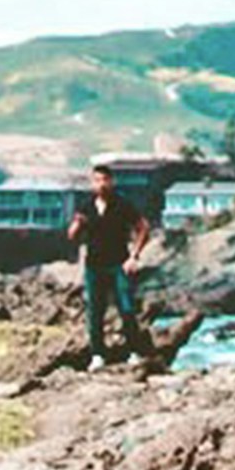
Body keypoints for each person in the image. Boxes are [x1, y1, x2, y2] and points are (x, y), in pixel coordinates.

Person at [69, 158, 154, 370]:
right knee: (95, 311)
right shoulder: (86, 206)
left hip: (119, 264)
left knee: (126, 308)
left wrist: (134, 256)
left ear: (112, 181)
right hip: (94, 265)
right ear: (92, 183)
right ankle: (97, 355)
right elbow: (72, 235)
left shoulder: (122, 204)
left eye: (105, 180)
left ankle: (133, 351)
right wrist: (77, 225)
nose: (102, 184)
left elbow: (143, 228)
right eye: (97, 180)